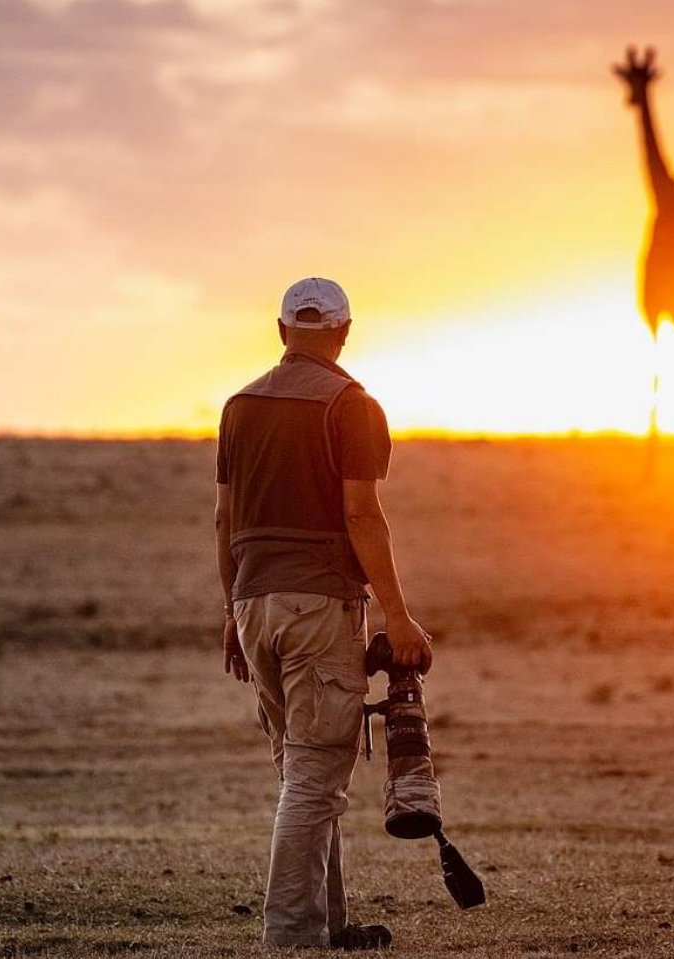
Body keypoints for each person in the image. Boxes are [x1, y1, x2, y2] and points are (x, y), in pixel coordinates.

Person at [215, 277, 433, 949]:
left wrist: (232, 608)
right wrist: (396, 616)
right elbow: (361, 512)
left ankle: (332, 923)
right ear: (342, 333)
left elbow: (226, 517)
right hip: (318, 606)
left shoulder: (238, 405)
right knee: (313, 778)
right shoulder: (350, 403)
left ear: (281, 332)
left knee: (303, 766)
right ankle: (289, 937)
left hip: (252, 604)